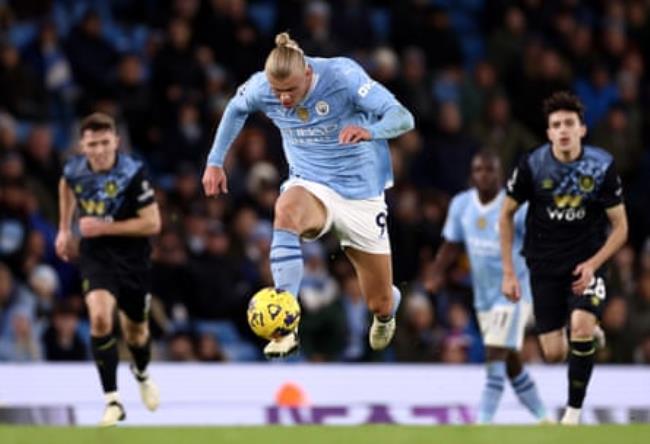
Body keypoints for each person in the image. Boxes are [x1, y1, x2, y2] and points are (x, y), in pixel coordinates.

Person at [202, 32, 414, 358]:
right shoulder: (262, 86)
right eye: (277, 92)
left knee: (379, 301)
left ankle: (387, 310)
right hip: (311, 184)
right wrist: (215, 162)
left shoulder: (343, 76)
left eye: (291, 91)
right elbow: (235, 108)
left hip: (361, 195)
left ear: (308, 75)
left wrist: (370, 131)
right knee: (285, 210)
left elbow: (402, 117)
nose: (284, 100)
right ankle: (286, 326)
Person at [500, 91, 628, 425]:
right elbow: (505, 215)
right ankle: (589, 328)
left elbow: (621, 228)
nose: (563, 130)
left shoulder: (601, 167)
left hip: (585, 262)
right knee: (554, 354)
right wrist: (509, 273)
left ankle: (572, 412)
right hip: (543, 265)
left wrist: (594, 264)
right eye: (556, 125)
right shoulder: (533, 164)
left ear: (582, 129)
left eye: (569, 123)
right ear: (549, 133)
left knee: (580, 328)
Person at [427, 151, 550, 424]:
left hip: (515, 294)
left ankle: (483, 422)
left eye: (490, 170)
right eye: (478, 170)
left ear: (501, 174)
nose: (484, 175)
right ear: (472, 174)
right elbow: (451, 243)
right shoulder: (461, 204)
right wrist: (436, 272)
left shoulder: (515, 206)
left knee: (495, 353)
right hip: (484, 297)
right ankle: (544, 417)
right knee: (511, 363)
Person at [56, 112, 162, 426]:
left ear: (116, 142)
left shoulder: (132, 172)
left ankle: (141, 373)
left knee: (136, 333)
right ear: (82, 146)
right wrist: (64, 229)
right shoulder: (74, 170)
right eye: (92, 144)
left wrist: (103, 227)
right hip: (96, 257)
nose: (100, 150)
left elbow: (153, 222)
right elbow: (65, 185)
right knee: (100, 318)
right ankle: (112, 400)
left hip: (133, 258)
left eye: (105, 142)